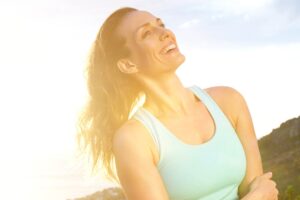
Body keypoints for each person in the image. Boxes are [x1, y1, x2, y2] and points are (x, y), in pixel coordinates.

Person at [78, 7, 279, 200]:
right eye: (147, 33)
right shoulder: (134, 139)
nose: (165, 33)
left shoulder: (229, 102)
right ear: (128, 64)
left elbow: (260, 191)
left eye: (161, 24)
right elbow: (261, 194)